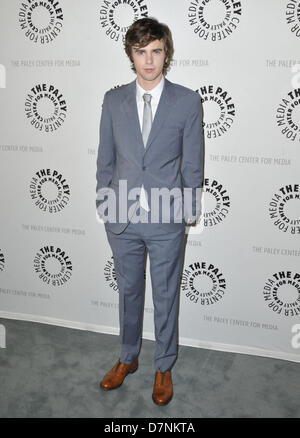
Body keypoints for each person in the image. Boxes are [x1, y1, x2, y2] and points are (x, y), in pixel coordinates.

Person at [96, 17, 204, 406]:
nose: (149, 60)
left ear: (166, 53)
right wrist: (103, 201)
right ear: (131, 54)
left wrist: (187, 210)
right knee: (128, 290)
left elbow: (193, 163)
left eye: (156, 51)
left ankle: (163, 365)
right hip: (121, 216)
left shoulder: (188, 101)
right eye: (141, 52)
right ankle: (127, 357)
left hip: (166, 218)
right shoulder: (113, 100)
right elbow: (105, 158)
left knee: (165, 293)